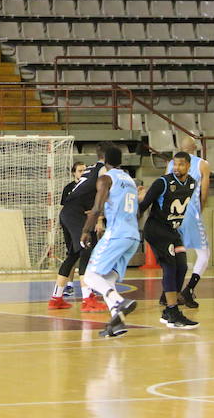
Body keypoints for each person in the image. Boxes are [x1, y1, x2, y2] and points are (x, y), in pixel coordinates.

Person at [79, 145, 140, 338]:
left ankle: (119, 301)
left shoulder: (106, 178)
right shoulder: (130, 180)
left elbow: (97, 208)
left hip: (117, 233)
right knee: (108, 280)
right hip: (132, 235)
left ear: (104, 159)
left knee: (89, 277)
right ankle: (117, 322)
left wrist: (85, 231)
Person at [139, 152, 199, 329]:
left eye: (181, 165)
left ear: (188, 166)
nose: (177, 168)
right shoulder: (163, 182)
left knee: (182, 266)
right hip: (157, 230)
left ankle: (167, 303)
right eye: (175, 164)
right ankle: (172, 310)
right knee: (170, 266)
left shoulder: (192, 183)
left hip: (173, 232)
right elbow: (143, 206)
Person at [48, 145, 108, 312]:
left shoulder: (90, 169)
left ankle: (56, 298)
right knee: (87, 252)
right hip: (76, 214)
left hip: (68, 213)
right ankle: (88, 299)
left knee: (73, 254)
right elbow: (104, 192)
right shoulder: (103, 170)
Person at [165, 137, 211, 309]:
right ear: (195, 148)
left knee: (176, 253)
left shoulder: (171, 164)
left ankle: (168, 293)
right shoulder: (202, 164)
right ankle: (188, 290)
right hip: (190, 211)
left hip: (172, 214)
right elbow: (204, 193)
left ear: (180, 148)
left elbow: (164, 186)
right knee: (204, 254)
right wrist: (199, 209)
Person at [57, 160, 86, 299]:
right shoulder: (68, 188)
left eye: (84, 170)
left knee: (86, 254)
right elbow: (64, 208)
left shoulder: (88, 187)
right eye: (80, 170)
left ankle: (89, 286)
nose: (83, 173)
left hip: (85, 223)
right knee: (72, 253)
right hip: (71, 224)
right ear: (74, 173)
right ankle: (69, 285)